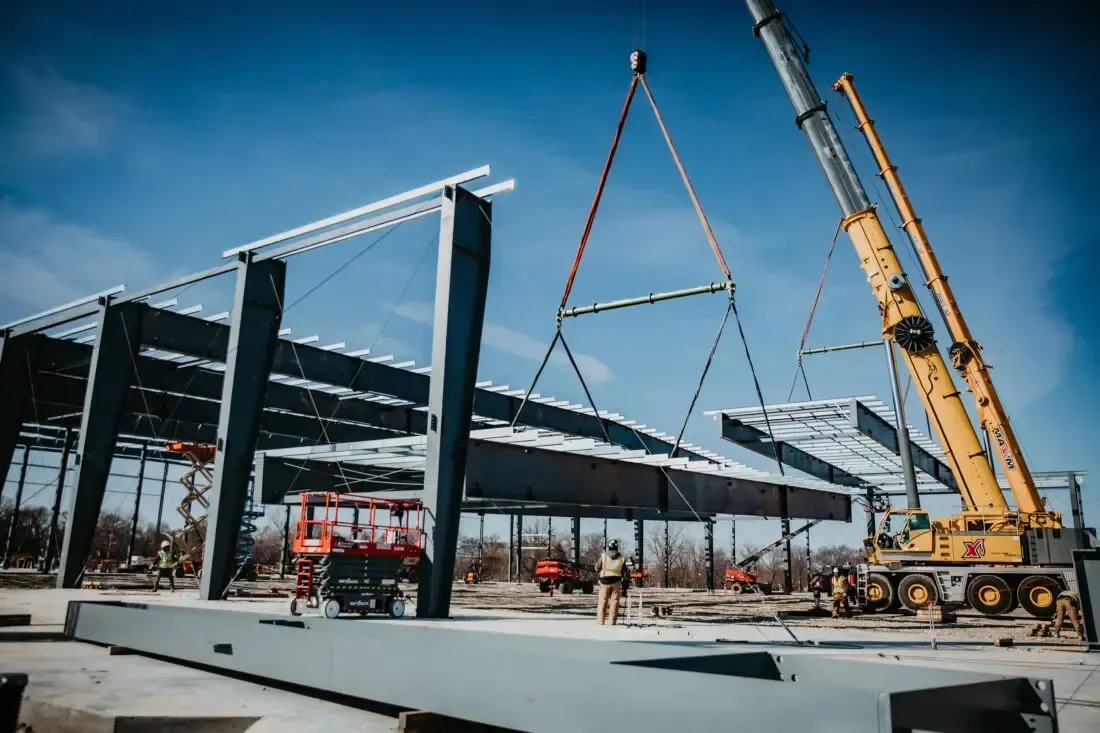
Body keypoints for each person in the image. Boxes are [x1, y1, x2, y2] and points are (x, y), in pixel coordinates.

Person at [595, 540, 626, 625]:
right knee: (615, 601)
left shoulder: (604, 556)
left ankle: (601, 621)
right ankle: (612, 621)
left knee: (603, 601)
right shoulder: (621, 558)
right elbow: (624, 570)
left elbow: (597, 568)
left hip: (604, 581)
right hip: (616, 581)